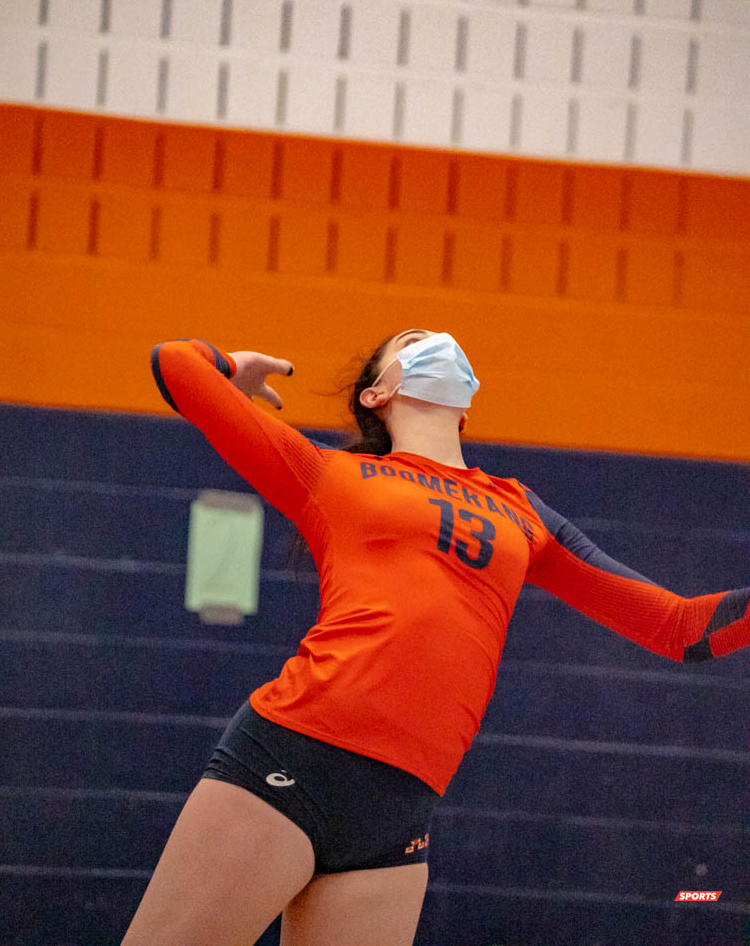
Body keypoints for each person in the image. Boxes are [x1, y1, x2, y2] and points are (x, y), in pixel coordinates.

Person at [122, 329, 749, 946]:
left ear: (468, 396)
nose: (439, 340)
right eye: (414, 339)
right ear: (376, 394)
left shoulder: (523, 510)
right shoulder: (328, 472)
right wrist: (232, 366)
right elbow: (176, 364)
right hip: (294, 754)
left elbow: (681, 627)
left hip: (401, 808)